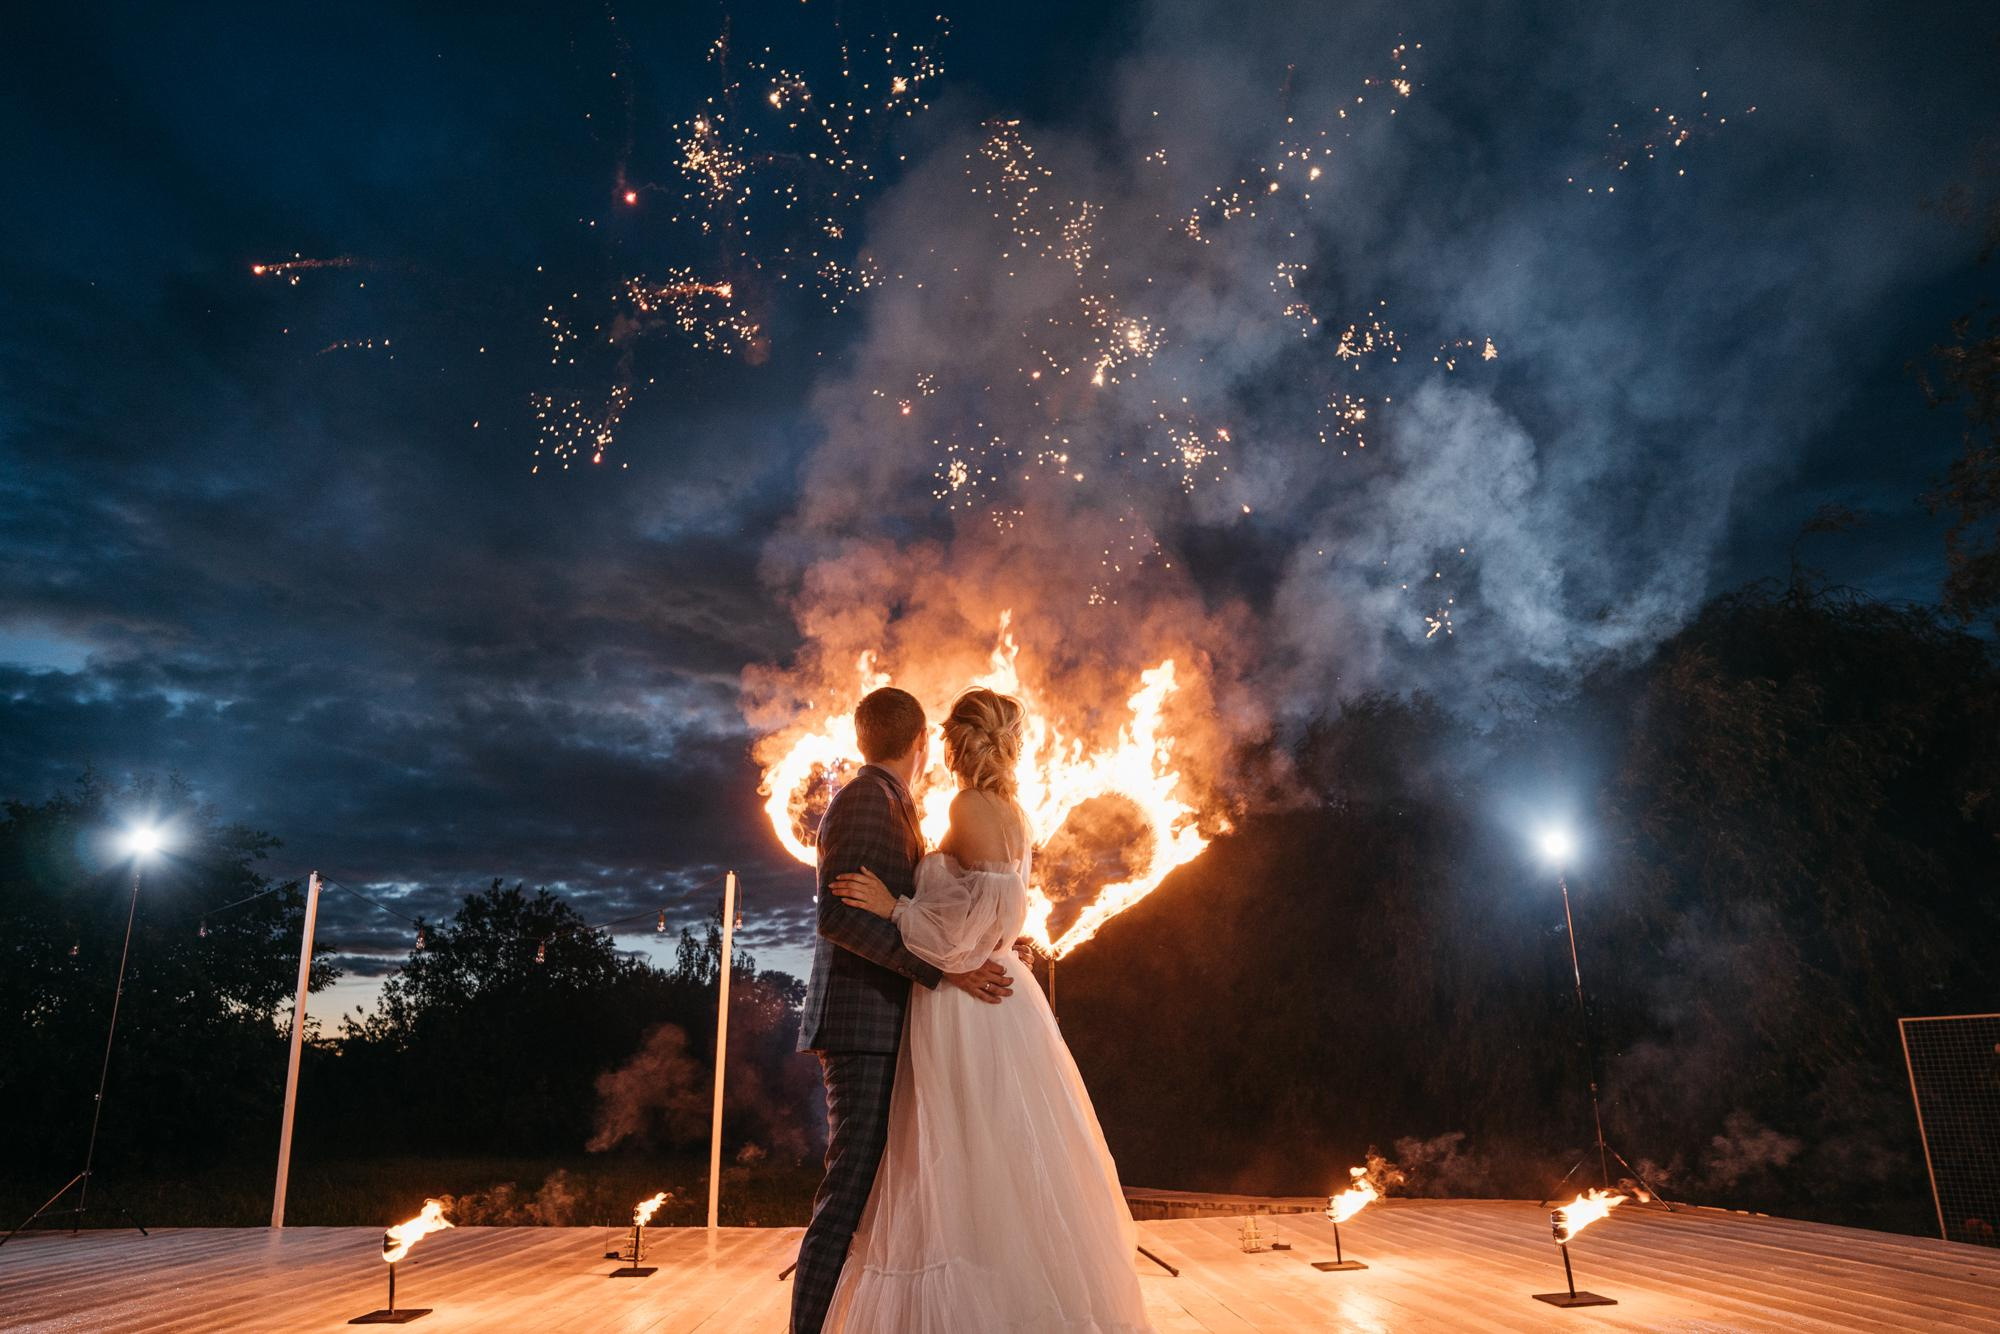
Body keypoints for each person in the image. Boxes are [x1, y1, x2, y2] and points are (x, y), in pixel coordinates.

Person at [820, 687, 1155, 1333]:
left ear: (952, 742)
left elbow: (958, 934)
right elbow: (992, 914)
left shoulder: (967, 806)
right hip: (1002, 995)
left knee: (958, 1157)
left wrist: (893, 907)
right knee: (1001, 1157)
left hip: (966, 999)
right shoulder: (1013, 813)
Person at [789, 686, 1018, 1334]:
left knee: (879, 1198)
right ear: (920, 743)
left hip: (891, 1026)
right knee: (848, 1195)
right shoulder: (865, 801)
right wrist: (939, 967)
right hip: (862, 1028)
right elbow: (838, 916)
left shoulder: (895, 804)